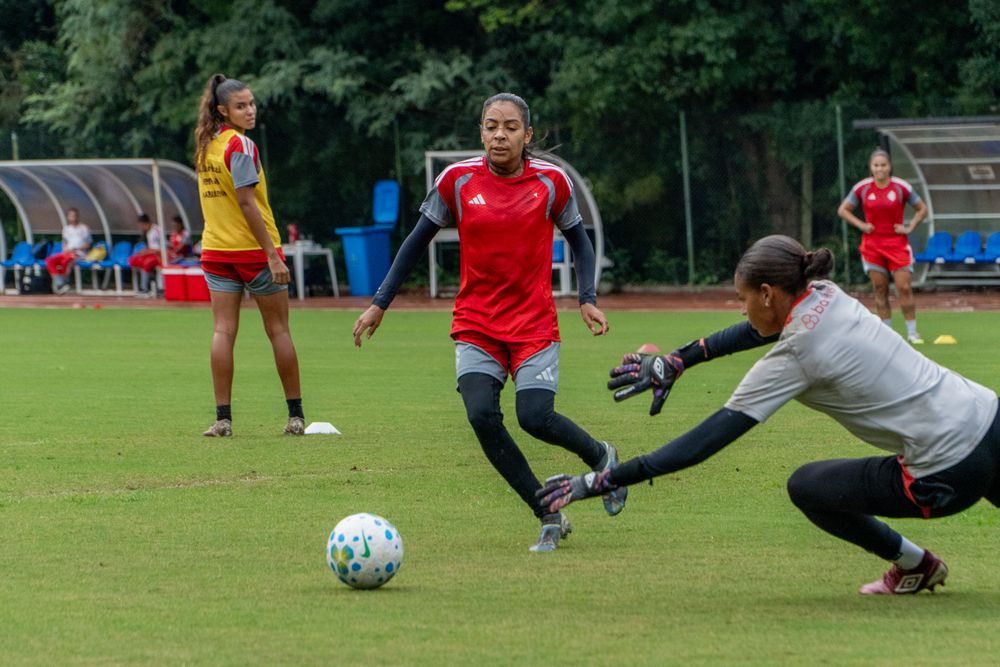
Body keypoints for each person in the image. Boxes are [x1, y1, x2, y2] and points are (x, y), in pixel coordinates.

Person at [538, 235, 999, 594]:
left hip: (947, 469)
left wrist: (604, 480)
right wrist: (681, 359)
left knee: (808, 486)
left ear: (766, 293)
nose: (741, 308)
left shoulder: (798, 353)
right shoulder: (824, 293)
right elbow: (757, 330)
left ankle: (915, 565)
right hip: (987, 416)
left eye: (743, 299)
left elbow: (703, 444)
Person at [352, 92, 623, 552]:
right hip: (477, 324)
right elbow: (415, 244)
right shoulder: (456, 181)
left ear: (527, 135)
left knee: (535, 417)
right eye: (491, 125)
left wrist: (587, 298)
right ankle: (547, 511)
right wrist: (380, 302)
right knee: (482, 416)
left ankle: (600, 456)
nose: (500, 134)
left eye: (511, 127)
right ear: (481, 131)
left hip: (533, 324)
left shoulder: (552, 183)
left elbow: (580, 241)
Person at [194, 73, 304, 437]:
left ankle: (222, 418)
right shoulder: (240, 146)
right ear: (224, 110)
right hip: (254, 253)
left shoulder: (206, 145)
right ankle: (295, 415)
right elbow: (245, 202)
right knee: (278, 330)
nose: (250, 110)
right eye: (241, 106)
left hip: (216, 251)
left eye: (252, 103)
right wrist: (272, 255)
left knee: (223, 331)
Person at [837, 148, 928, 344]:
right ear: (871, 167)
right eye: (876, 165)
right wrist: (862, 225)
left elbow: (922, 209)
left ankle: (912, 332)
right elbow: (843, 210)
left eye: (883, 165)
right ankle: (887, 334)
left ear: (889, 167)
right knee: (880, 288)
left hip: (897, 244)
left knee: (904, 287)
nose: (880, 169)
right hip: (872, 246)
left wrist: (909, 227)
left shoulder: (900, 187)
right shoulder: (863, 188)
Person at [45, 207, 92, 295]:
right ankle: (60, 284)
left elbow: (88, 244)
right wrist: (65, 249)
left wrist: (76, 249)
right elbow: (65, 244)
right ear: (68, 217)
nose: (73, 218)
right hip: (67, 253)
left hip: (79, 253)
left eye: (75, 216)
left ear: (78, 216)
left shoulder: (84, 228)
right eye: (71, 216)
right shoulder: (66, 229)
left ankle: (61, 285)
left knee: (66, 262)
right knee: (50, 260)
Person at [128, 213, 163, 297]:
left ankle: (146, 288)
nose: (141, 227)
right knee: (133, 259)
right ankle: (146, 283)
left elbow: (160, 249)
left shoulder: (156, 230)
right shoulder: (147, 232)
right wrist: (144, 251)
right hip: (151, 254)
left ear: (146, 223)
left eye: (142, 224)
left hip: (160, 256)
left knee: (147, 263)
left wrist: (147, 252)